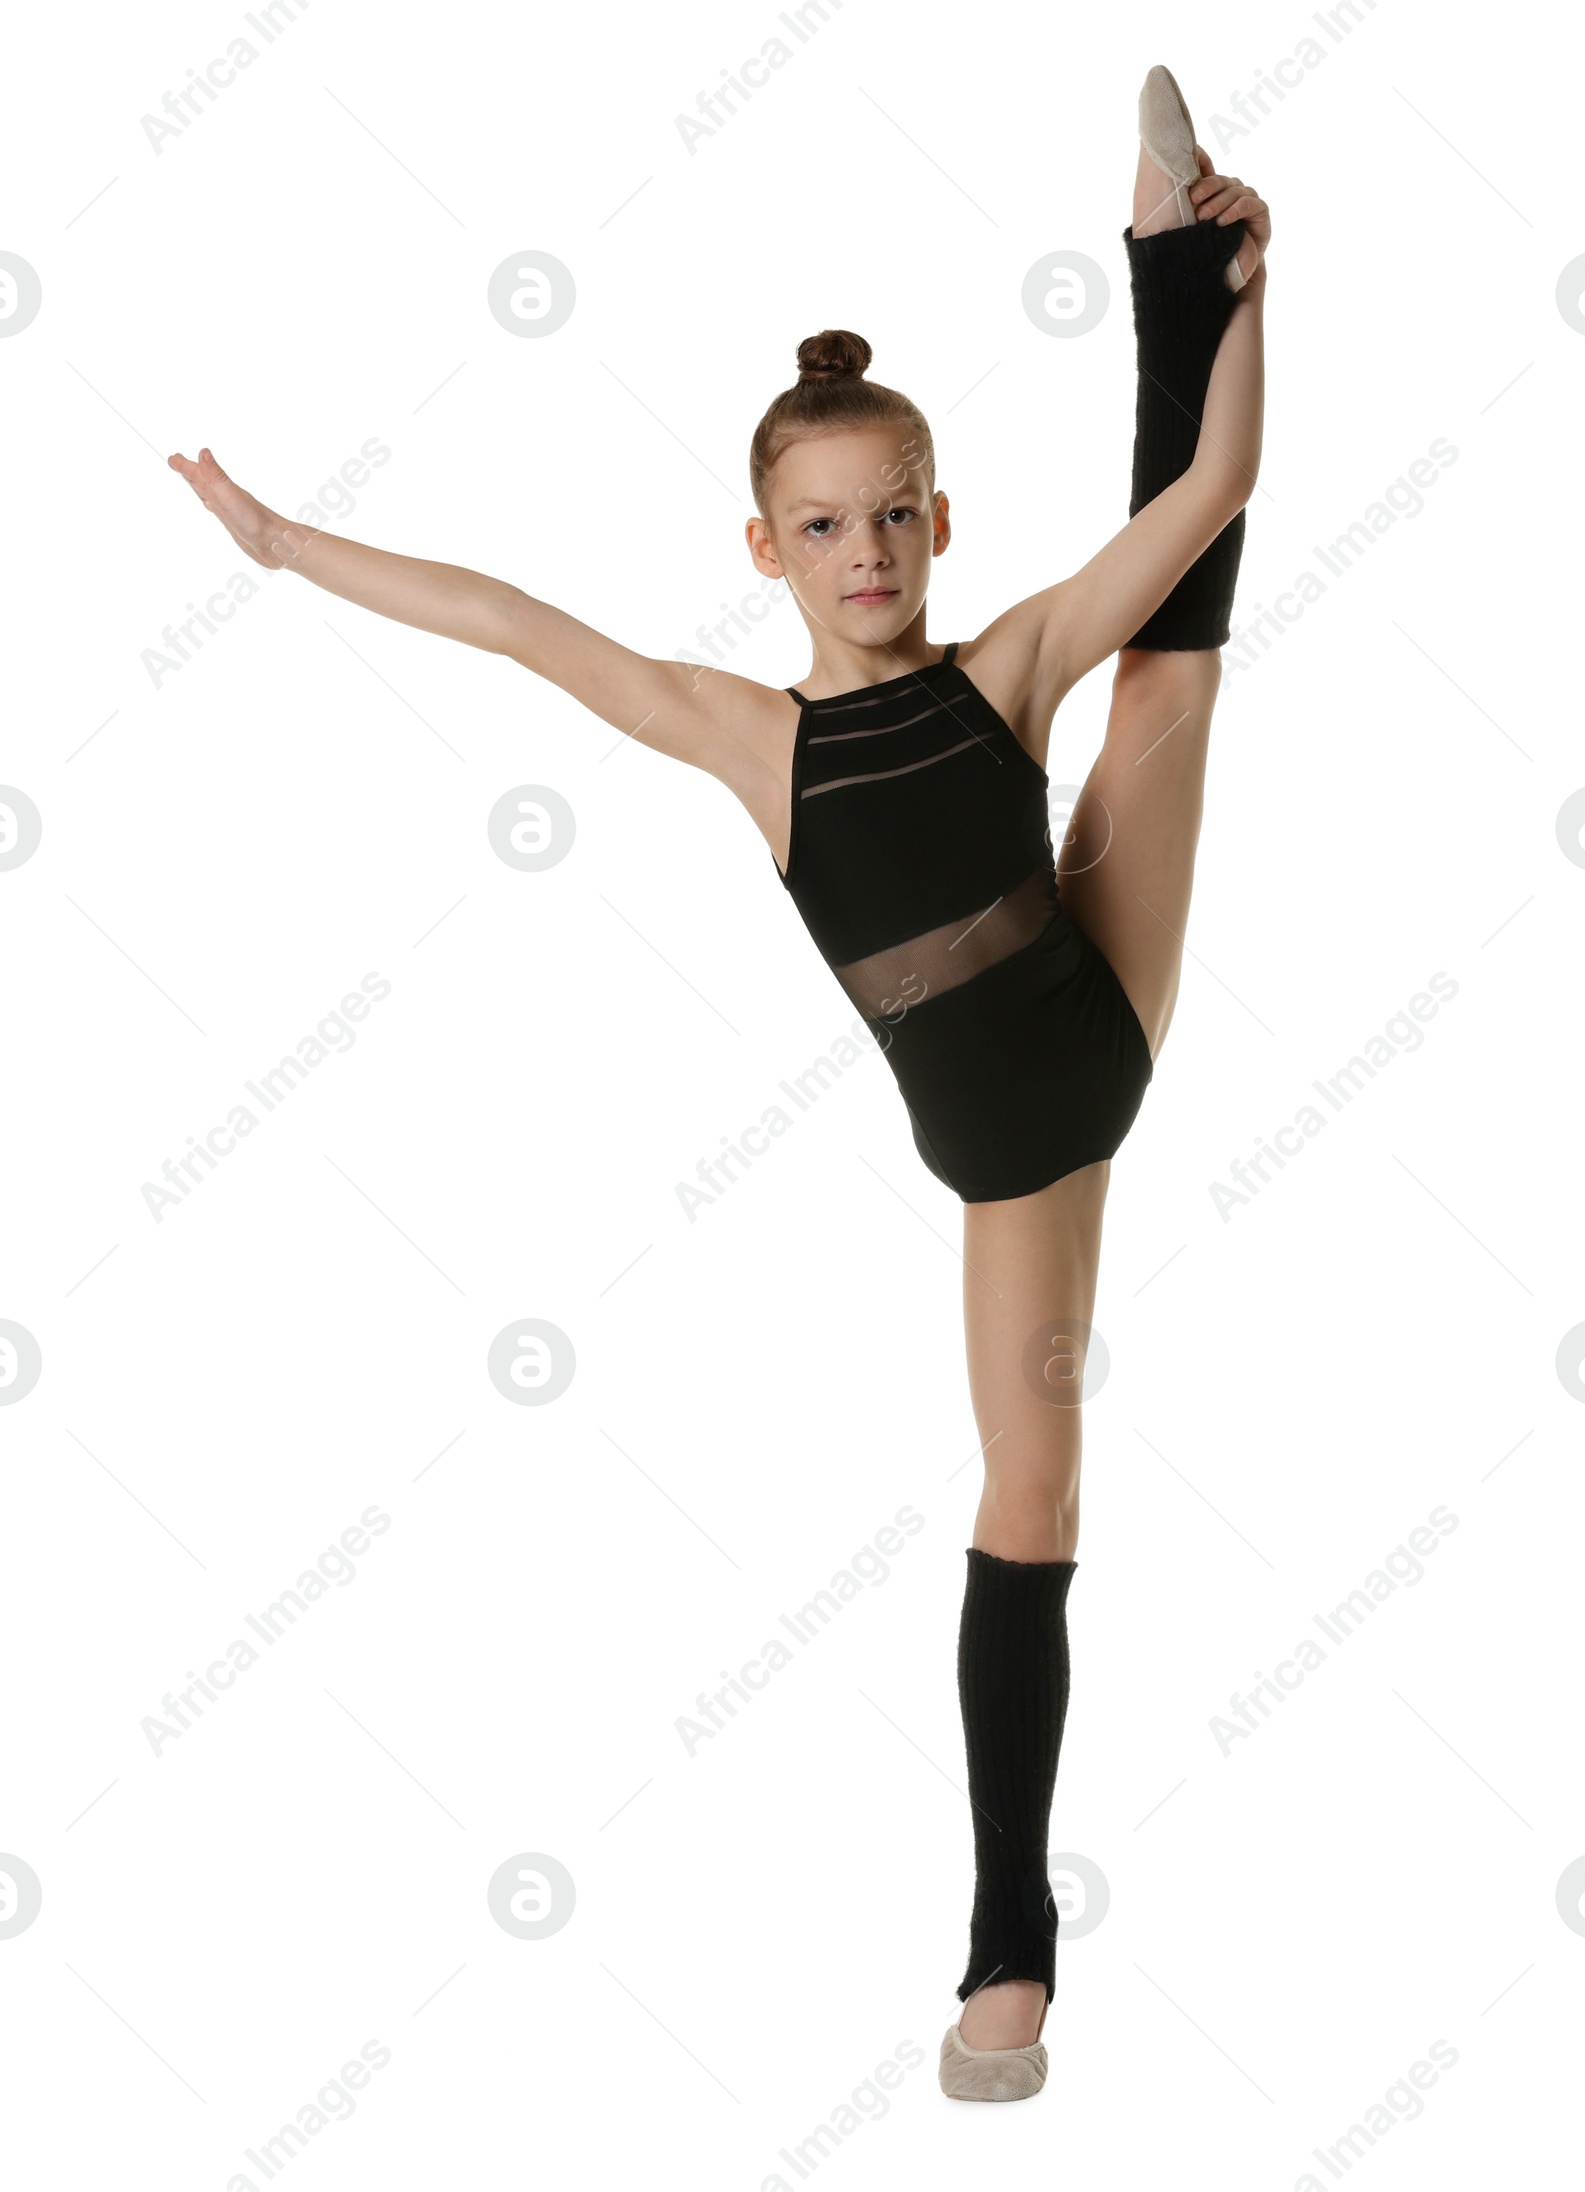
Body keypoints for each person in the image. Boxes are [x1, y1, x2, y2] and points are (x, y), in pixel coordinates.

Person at [169, 61, 1267, 2108]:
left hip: (1093, 1003)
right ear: (761, 548)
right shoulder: (758, 745)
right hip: (1013, 1149)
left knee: (1176, 671)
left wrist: (1234, 288)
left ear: (937, 525)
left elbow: (1199, 508)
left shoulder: (1002, 666)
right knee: (1028, 1496)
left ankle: (1155, 237)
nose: (863, 552)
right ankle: (1004, 1959)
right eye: (820, 527)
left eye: (889, 518)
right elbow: (511, 624)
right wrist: (277, 541)